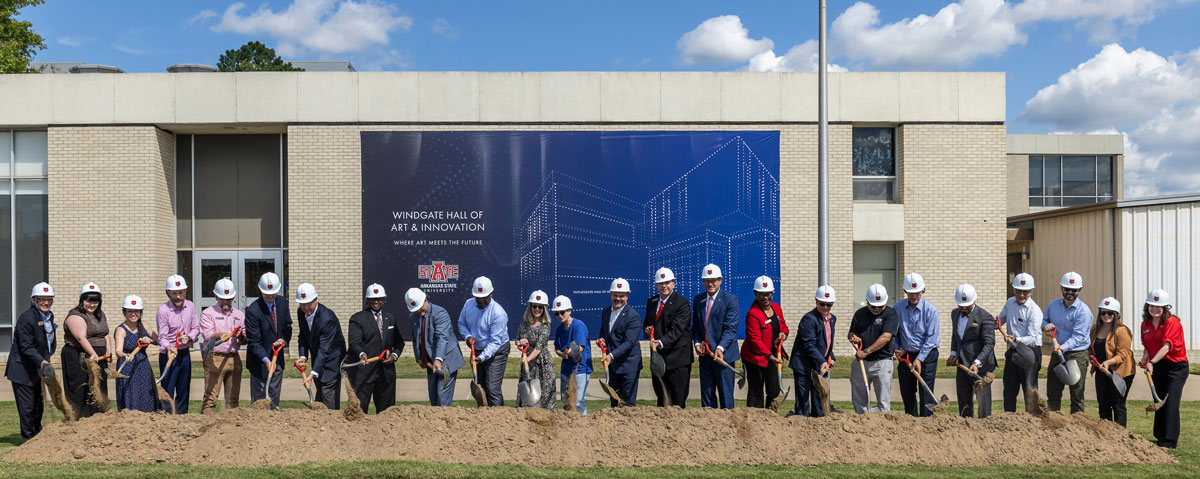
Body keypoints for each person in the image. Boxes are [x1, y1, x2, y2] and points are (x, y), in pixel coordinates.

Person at [5, 283, 58, 441]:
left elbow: (47, 340)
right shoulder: (27, 318)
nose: (46, 303)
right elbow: (26, 347)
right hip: (23, 370)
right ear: (34, 300)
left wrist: (47, 357)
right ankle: (28, 439)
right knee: (27, 408)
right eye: (42, 299)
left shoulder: (49, 316)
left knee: (37, 407)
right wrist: (42, 362)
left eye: (49, 300)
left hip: (37, 369)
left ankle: (37, 436)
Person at [1139, 289, 1189, 449]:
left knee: (1170, 402)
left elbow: (1167, 346)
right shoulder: (1145, 324)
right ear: (1147, 306)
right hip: (1158, 365)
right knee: (1159, 401)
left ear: (1165, 308)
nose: (1154, 309)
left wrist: (1151, 362)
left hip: (1176, 367)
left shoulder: (1172, 322)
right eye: (1151, 305)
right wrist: (1146, 358)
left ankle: (1168, 441)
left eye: (1158, 306)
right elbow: (1147, 346)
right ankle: (1159, 436)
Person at [1042, 271, 1093, 414]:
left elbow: (1079, 337)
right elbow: (1044, 320)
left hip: (1077, 354)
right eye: (1067, 289)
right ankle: (1053, 421)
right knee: (1053, 391)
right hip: (1057, 352)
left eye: (1074, 290)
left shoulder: (1083, 311)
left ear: (1080, 290)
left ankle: (1077, 426)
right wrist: (1046, 325)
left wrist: (1061, 347)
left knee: (1076, 393)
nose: (1070, 292)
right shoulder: (1053, 305)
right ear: (1061, 288)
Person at [348, 283, 403, 414]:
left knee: (387, 412)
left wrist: (394, 355)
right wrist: (361, 353)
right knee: (360, 411)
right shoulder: (357, 319)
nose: (376, 302)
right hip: (365, 373)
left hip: (386, 373)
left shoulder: (390, 318)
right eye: (372, 299)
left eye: (379, 299)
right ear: (367, 300)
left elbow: (399, 342)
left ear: (384, 300)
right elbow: (354, 342)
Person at [692, 264, 740, 410]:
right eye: (707, 280)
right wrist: (697, 343)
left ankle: (729, 429)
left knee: (726, 397)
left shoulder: (730, 300)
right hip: (706, 356)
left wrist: (720, 347)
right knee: (707, 398)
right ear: (703, 282)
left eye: (714, 280)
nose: (710, 283)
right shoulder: (698, 300)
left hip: (723, 356)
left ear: (720, 280)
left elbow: (730, 329)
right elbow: (696, 326)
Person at [643, 267, 693, 407]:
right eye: (660, 283)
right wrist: (646, 329)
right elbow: (648, 322)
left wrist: (659, 342)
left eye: (667, 282)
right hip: (659, 359)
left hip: (678, 359)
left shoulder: (682, 303)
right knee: (662, 399)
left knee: (677, 400)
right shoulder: (651, 302)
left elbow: (677, 330)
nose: (664, 286)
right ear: (656, 285)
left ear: (673, 283)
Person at [458, 276, 510, 407]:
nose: (480, 300)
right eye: (477, 296)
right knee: (479, 387)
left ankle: (498, 418)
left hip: (497, 350)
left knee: (492, 388)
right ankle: (483, 419)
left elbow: (495, 342)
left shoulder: (498, 313)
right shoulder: (468, 304)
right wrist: (468, 337)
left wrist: (481, 358)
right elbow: (461, 323)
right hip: (477, 348)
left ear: (491, 294)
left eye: (484, 297)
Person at [407, 287, 464, 407]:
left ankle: (446, 424)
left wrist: (438, 359)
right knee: (433, 396)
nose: (419, 311)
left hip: (447, 361)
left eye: (420, 307)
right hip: (430, 361)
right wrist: (419, 357)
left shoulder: (440, 313)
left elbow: (442, 337)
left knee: (443, 398)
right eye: (415, 310)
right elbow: (415, 338)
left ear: (426, 300)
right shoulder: (413, 317)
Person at [894, 272, 940, 417]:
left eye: (917, 293)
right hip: (906, 355)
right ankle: (911, 422)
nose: (914, 296)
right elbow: (894, 332)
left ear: (923, 291)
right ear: (906, 292)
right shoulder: (898, 308)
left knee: (926, 392)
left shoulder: (931, 311)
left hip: (927, 355)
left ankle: (926, 423)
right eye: (911, 293)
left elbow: (931, 339)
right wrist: (897, 347)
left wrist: (919, 359)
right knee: (907, 391)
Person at [62, 282, 111, 418]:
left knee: (99, 387)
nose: (92, 304)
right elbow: (81, 338)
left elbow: (105, 332)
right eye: (88, 300)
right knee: (82, 388)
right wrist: (92, 353)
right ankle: (79, 419)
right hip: (79, 354)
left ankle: (98, 417)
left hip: (98, 356)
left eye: (95, 301)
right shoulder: (75, 316)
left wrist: (108, 350)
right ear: (82, 300)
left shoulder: (100, 314)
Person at [244, 272, 292, 410]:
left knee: (274, 401)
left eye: (274, 293)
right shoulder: (253, 311)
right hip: (260, 363)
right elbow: (253, 341)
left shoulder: (282, 303)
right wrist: (265, 359)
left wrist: (283, 340)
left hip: (277, 360)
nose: (271, 297)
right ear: (261, 291)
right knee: (260, 403)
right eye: (267, 294)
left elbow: (288, 326)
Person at [947, 284, 996, 419]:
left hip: (981, 367)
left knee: (983, 405)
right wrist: (953, 353)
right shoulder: (954, 314)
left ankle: (985, 430)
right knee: (964, 401)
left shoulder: (985, 317)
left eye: (966, 305)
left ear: (974, 300)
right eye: (960, 305)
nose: (963, 308)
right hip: (963, 364)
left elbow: (989, 343)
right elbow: (955, 336)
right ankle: (966, 429)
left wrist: (977, 363)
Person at [296, 283, 347, 410]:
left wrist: (312, 373)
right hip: (318, 358)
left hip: (332, 361)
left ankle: (332, 423)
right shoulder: (301, 313)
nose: (306, 307)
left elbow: (324, 349)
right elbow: (303, 335)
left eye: (309, 303)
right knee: (320, 393)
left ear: (316, 300)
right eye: (303, 304)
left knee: (328, 395)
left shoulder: (327, 318)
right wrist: (303, 356)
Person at [848, 284, 898, 414]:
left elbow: (886, 337)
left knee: (883, 401)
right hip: (861, 362)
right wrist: (853, 337)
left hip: (882, 362)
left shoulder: (890, 314)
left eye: (880, 306)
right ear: (867, 302)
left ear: (886, 302)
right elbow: (852, 332)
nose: (876, 308)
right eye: (873, 306)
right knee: (859, 400)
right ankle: (861, 423)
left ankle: (882, 428)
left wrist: (866, 351)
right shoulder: (860, 314)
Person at [997, 272, 1043, 413]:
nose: (1021, 295)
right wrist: (993, 321)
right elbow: (1001, 319)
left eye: (1025, 292)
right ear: (1013, 290)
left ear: (1031, 291)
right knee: (1009, 389)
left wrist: (1016, 339)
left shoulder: (1034, 310)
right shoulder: (1010, 302)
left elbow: (1033, 337)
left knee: (1029, 390)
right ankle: (1009, 419)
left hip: (1030, 352)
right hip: (1014, 351)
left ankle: (1032, 422)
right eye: (1018, 291)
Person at [198, 278, 245, 414]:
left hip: (234, 358)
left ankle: (230, 431)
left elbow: (244, 340)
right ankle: (206, 428)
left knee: (233, 401)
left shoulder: (239, 315)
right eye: (223, 298)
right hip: (215, 358)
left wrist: (240, 336)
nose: (226, 302)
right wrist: (219, 335)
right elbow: (208, 335)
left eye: (229, 298)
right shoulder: (208, 313)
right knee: (210, 400)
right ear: (215, 296)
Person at [789, 285, 837, 417]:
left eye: (829, 304)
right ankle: (802, 426)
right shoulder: (809, 319)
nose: (826, 307)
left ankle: (818, 428)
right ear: (816, 301)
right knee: (803, 400)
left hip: (818, 366)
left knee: (819, 399)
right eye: (822, 304)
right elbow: (809, 344)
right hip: (803, 365)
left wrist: (830, 357)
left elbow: (826, 341)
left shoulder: (832, 319)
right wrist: (822, 361)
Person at [742, 276, 788, 409]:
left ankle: (770, 419)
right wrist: (769, 356)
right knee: (756, 392)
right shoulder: (753, 314)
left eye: (768, 294)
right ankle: (754, 419)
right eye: (761, 294)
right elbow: (755, 340)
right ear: (756, 294)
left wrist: (783, 333)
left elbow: (784, 326)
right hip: (755, 358)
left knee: (774, 390)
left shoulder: (776, 308)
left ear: (772, 293)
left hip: (773, 355)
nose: (765, 298)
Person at [155, 274, 199, 414]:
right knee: (167, 390)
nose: (178, 296)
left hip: (184, 354)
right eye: (174, 293)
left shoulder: (190, 306)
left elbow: (196, 328)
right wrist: (168, 347)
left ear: (185, 291)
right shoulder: (163, 311)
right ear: (168, 292)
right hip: (169, 355)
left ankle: (182, 419)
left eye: (181, 293)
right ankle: (167, 420)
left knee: (184, 389)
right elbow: (161, 337)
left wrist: (190, 337)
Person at [598, 278, 643, 407]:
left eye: (621, 296)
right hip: (613, 367)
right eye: (615, 295)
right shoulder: (606, 312)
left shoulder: (633, 316)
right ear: (610, 294)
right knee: (614, 402)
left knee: (627, 404)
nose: (618, 298)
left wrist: (611, 356)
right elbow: (604, 333)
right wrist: (602, 340)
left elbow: (629, 342)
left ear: (627, 296)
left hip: (629, 366)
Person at [1090, 297, 1133, 427]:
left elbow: (1123, 354)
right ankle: (1107, 434)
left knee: (1118, 404)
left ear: (1116, 315)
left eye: (1110, 313)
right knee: (1103, 404)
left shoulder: (1122, 331)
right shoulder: (1095, 329)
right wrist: (1092, 358)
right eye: (1103, 313)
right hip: (1101, 371)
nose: (1106, 316)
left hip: (1120, 372)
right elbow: (1090, 348)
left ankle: (1120, 437)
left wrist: (1108, 362)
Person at [114, 295, 159, 412]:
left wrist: (150, 340)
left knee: (145, 392)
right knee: (131, 392)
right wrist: (124, 355)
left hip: (143, 365)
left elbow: (158, 340)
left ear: (141, 312)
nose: (133, 314)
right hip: (127, 365)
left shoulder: (144, 325)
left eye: (136, 311)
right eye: (130, 311)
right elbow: (118, 351)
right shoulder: (121, 329)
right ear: (124, 312)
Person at [517, 291, 556, 409]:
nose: (537, 309)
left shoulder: (546, 326)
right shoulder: (524, 323)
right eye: (534, 306)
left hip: (543, 365)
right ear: (530, 307)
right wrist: (520, 342)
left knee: (544, 395)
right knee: (528, 398)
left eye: (540, 307)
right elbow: (518, 339)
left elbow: (539, 347)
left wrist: (527, 360)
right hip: (528, 362)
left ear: (544, 309)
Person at [552, 296, 592, 414]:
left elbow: (579, 347)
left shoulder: (578, 325)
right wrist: (562, 354)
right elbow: (557, 349)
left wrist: (568, 351)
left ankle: (582, 427)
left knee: (578, 401)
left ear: (569, 311)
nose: (560, 315)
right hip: (566, 368)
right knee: (566, 400)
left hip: (579, 368)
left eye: (562, 312)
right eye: (557, 313)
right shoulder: (559, 329)